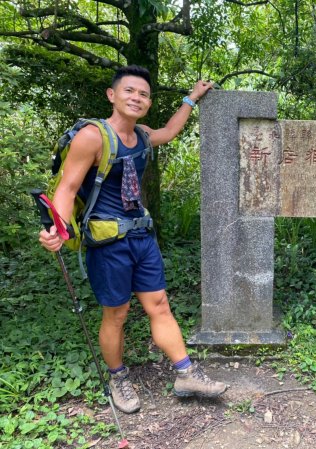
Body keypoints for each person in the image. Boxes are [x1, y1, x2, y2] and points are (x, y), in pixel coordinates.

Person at [39, 65, 226, 414]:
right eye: (129, 91)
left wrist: (191, 98)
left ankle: (185, 373)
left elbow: (169, 132)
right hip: (108, 241)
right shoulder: (93, 137)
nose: (136, 98)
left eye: (143, 94)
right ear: (112, 95)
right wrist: (58, 229)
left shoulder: (140, 135)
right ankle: (117, 377)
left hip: (141, 235)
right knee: (117, 313)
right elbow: (66, 188)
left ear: (148, 102)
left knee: (159, 305)